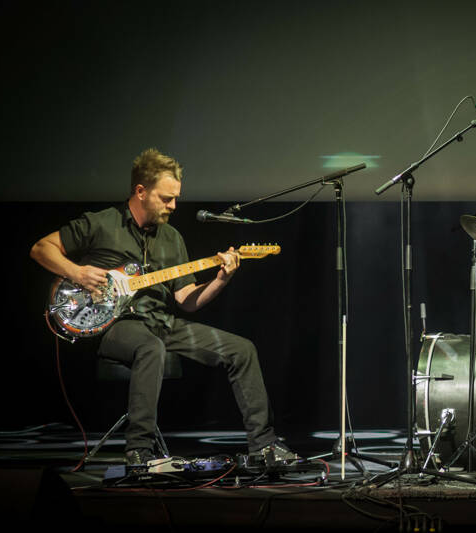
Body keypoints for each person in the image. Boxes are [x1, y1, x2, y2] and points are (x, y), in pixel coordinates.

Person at [30, 148, 298, 466]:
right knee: (150, 347)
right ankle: (139, 450)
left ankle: (264, 447)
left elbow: (187, 300)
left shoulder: (172, 238)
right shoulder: (102, 224)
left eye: (175, 199)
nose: (173, 206)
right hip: (115, 326)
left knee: (242, 349)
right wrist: (77, 272)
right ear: (141, 191)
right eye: (166, 198)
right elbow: (40, 248)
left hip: (162, 322)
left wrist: (221, 279)